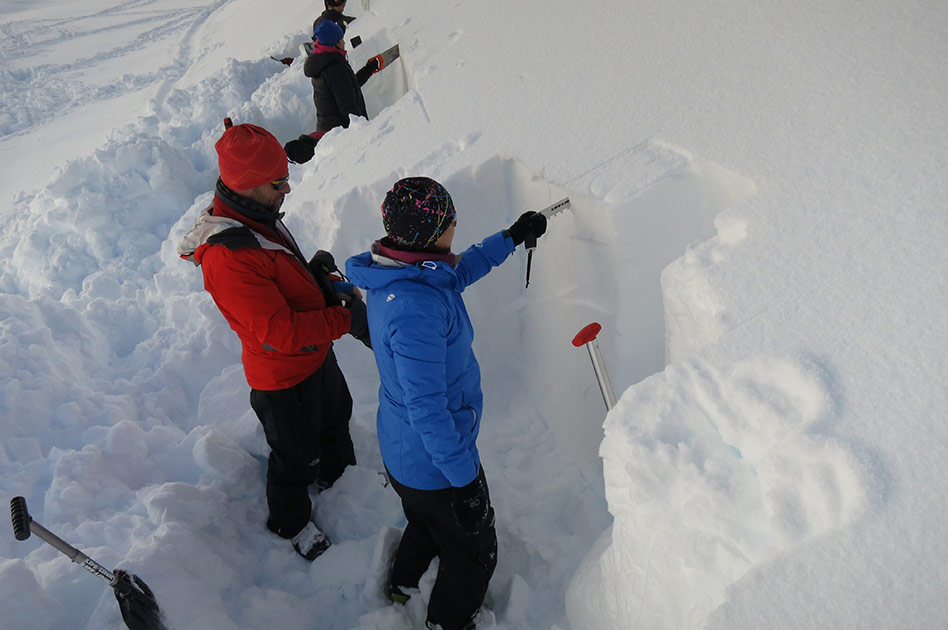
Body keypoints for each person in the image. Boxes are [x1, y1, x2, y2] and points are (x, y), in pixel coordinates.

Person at [345, 177, 548, 630]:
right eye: (450, 218)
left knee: (424, 522)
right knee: (475, 551)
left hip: (406, 454)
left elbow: (460, 270)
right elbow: (428, 411)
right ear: (434, 231)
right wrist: (465, 483)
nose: (456, 224)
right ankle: (447, 622)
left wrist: (512, 237)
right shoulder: (415, 308)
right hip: (434, 460)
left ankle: (402, 585)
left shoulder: (402, 270)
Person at [176, 122, 370, 561]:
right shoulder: (228, 255)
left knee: (337, 417)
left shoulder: (257, 214)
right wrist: (342, 320)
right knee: (294, 460)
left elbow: (281, 274)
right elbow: (278, 331)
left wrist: (316, 276)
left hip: (315, 355)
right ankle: (291, 523)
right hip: (282, 377)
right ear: (247, 184)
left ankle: (340, 476)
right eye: (278, 182)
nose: (287, 189)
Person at [304, 20, 379, 133]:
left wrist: (368, 70)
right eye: (341, 39)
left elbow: (347, 87)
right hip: (340, 134)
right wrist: (364, 131)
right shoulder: (335, 69)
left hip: (328, 130)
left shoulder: (322, 60)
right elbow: (349, 109)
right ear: (334, 44)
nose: (344, 42)